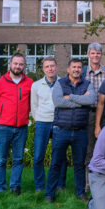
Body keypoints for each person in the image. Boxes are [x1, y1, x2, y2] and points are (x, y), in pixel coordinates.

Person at [46, 58, 97, 203]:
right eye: (74, 67)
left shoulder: (87, 83)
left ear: (82, 70)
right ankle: (49, 194)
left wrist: (72, 97)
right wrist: (81, 100)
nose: (76, 69)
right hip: (61, 130)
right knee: (55, 163)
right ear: (68, 69)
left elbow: (91, 100)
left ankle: (81, 193)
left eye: (79, 67)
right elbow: (58, 102)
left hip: (81, 131)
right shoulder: (60, 83)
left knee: (79, 164)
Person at [0, 53, 33, 194]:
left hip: (22, 127)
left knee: (18, 159)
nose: (18, 66)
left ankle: (15, 186)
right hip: (3, 127)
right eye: (15, 63)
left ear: (24, 66)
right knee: (1, 159)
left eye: (21, 64)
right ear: (10, 64)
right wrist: (2, 116)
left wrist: (24, 114)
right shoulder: (0, 82)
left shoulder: (29, 83)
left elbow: (32, 103)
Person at [31, 56, 66, 192]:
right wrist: (39, 118)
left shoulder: (64, 83)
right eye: (47, 66)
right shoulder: (36, 85)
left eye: (52, 66)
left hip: (59, 122)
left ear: (56, 67)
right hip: (42, 123)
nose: (50, 69)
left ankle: (60, 185)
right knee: (39, 155)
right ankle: (39, 186)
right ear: (43, 69)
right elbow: (33, 106)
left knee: (59, 156)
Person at [81, 42, 105, 190]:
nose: (95, 56)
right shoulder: (83, 72)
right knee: (89, 148)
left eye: (98, 53)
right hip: (87, 113)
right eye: (92, 53)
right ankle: (88, 183)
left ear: (102, 55)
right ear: (88, 55)